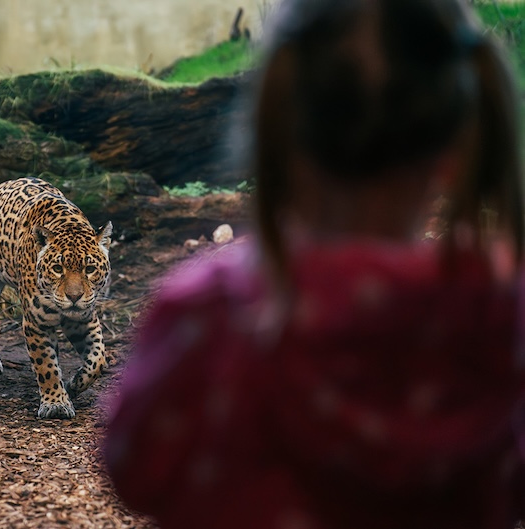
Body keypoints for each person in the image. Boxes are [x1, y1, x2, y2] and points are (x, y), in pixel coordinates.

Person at [102, 1, 525, 528]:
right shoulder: (499, 321)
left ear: (277, 130)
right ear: (457, 149)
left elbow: (132, 467)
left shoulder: (212, 317)